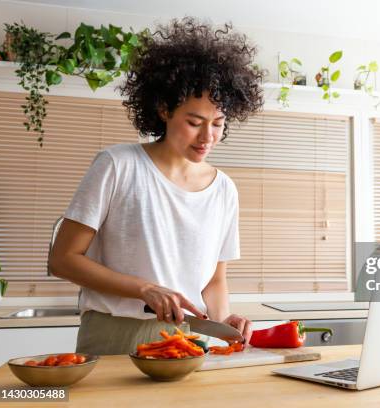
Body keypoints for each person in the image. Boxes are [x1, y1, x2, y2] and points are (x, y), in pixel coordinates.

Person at [49, 17, 264, 355]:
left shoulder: (224, 190)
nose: (208, 137)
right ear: (164, 109)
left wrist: (225, 322)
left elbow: (213, 280)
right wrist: (144, 289)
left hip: (191, 340)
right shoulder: (117, 165)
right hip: (114, 335)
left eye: (218, 124)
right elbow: (63, 259)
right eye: (194, 122)